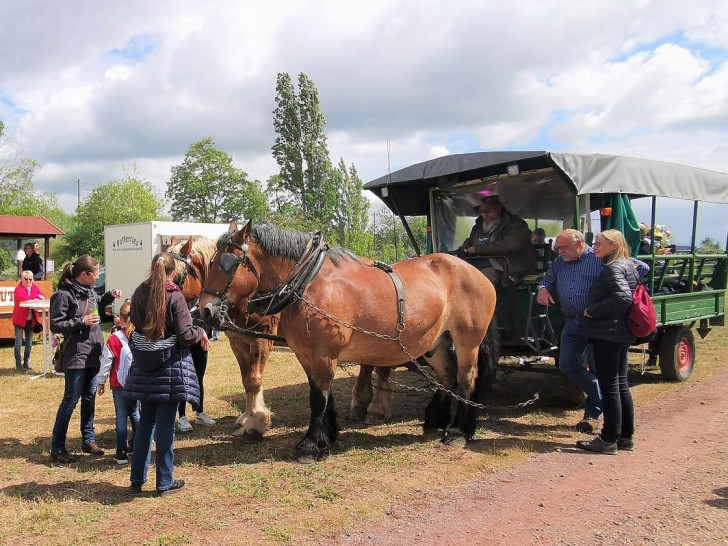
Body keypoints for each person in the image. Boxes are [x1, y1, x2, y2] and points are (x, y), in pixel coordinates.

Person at [123, 253, 209, 496]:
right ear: (173, 273)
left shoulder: (140, 292)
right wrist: (199, 330)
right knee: (165, 427)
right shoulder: (175, 296)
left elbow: (138, 324)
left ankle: (137, 479)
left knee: (145, 424)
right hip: (169, 366)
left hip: (143, 364)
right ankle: (165, 481)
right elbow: (184, 335)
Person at [49, 256, 122, 463]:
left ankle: (88, 440)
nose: (98, 276)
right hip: (76, 354)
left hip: (93, 352)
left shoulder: (88, 291)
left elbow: (96, 301)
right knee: (70, 400)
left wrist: (109, 295)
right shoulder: (63, 295)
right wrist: (82, 321)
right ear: (84, 275)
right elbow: (55, 325)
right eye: (96, 273)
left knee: (89, 398)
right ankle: (57, 447)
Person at [576, 230, 639, 455]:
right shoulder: (628, 265)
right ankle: (625, 437)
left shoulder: (613, 269)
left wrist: (592, 311)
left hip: (607, 335)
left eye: (599, 243)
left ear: (613, 246)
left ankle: (608, 439)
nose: (595, 247)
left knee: (610, 387)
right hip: (619, 334)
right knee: (621, 386)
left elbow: (623, 297)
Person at [537, 229, 604, 432]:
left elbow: (640, 268)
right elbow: (548, 279)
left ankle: (592, 415)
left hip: (598, 322)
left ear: (580, 244)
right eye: (558, 248)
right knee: (567, 365)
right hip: (573, 322)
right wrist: (542, 288)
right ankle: (606, 397)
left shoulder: (600, 258)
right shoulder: (560, 263)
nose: (560, 252)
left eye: (564, 248)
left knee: (597, 367)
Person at [459, 195, 537, 286]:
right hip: (476, 264)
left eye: (488, 211)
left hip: (503, 266)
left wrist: (477, 249)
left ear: (498, 208)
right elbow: (470, 240)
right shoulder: (478, 226)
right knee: (456, 278)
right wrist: (463, 250)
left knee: (480, 281)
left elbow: (510, 245)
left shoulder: (516, 224)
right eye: (482, 212)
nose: (485, 216)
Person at [97, 300, 139, 465]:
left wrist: (101, 382)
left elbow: (106, 362)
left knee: (121, 416)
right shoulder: (140, 336)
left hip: (118, 384)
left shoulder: (115, 338)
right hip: (136, 383)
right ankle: (137, 445)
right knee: (135, 414)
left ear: (120, 319)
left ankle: (121, 453)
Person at [175, 328, 216, 432]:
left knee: (199, 379)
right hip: (184, 341)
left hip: (200, 340)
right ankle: (182, 417)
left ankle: (199, 413)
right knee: (183, 379)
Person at [12, 270, 46, 371]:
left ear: (33, 279)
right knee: (18, 342)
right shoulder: (18, 289)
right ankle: (18, 364)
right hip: (19, 320)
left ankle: (26, 362)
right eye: (26, 279)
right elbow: (24, 299)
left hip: (31, 320)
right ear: (21, 279)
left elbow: (43, 297)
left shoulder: (35, 288)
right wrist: (35, 297)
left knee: (29, 343)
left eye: (30, 279)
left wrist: (36, 298)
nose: (28, 281)